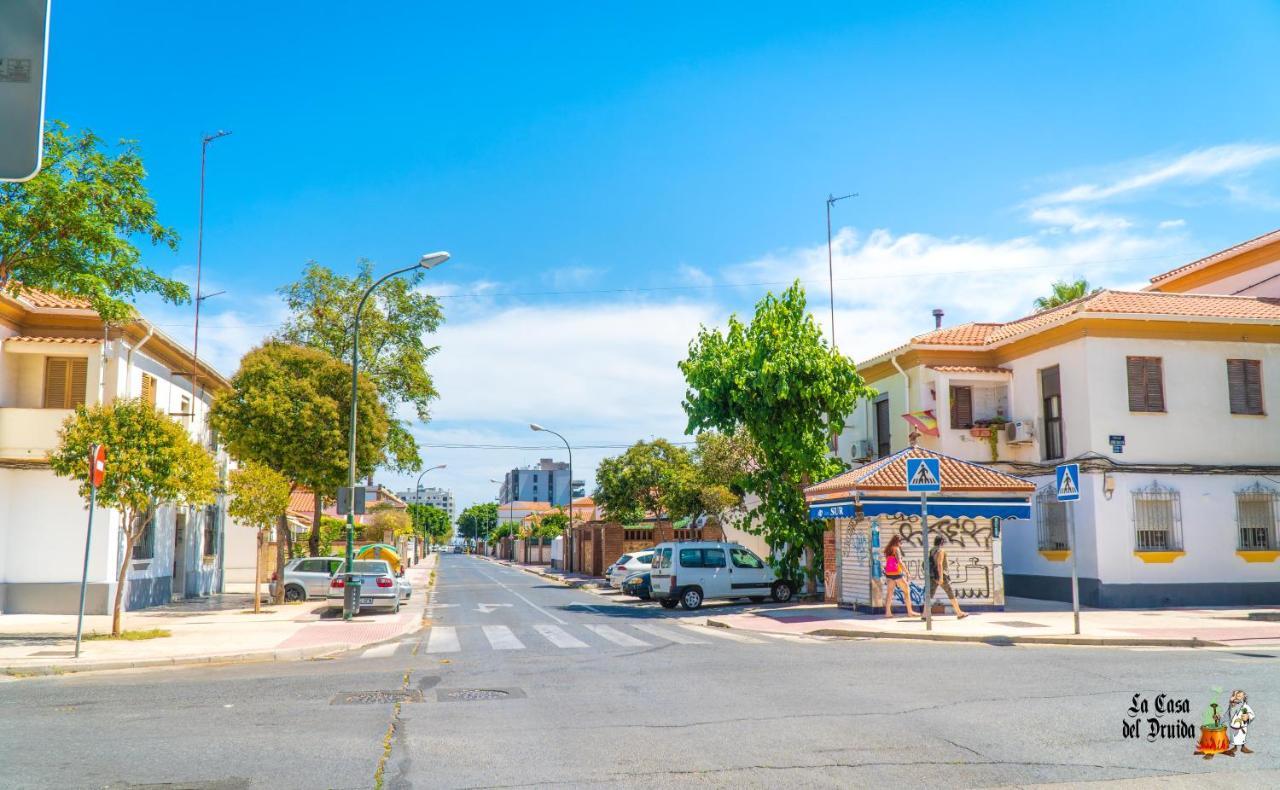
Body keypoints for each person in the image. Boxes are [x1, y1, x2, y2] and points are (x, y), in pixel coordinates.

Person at [926, 535, 968, 619]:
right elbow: (939, 564)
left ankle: (925, 614)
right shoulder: (941, 551)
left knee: (929, 595)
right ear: (941, 542)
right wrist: (941, 577)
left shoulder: (931, 550)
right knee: (950, 593)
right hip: (942, 575)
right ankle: (959, 613)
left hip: (932, 575)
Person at [882, 535, 918, 618]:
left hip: (889, 574)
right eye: (901, 542)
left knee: (889, 593)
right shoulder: (896, 549)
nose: (901, 543)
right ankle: (910, 612)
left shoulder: (888, 549)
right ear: (897, 541)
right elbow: (900, 562)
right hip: (897, 574)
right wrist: (907, 572)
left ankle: (888, 613)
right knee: (906, 591)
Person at [1225, 689, 1254, 755]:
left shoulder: (1245, 707)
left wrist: (1248, 717)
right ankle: (1235, 747)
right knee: (1234, 738)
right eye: (1234, 696)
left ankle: (1243, 747)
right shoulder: (1232, 707)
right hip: (1233, 726)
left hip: (1242, 727)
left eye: (1238, 696)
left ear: (1243, 698)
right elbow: (1227, 715)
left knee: (1241, 737)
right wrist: (1219, 719)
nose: (1235, 697)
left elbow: (1252, 714)